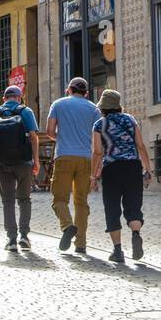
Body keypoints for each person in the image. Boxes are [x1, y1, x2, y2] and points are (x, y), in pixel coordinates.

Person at [91, 88, 152, 264]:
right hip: (133, 167)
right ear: (118, 106)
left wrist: (93, 176)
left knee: (112, 208)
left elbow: (97, 152)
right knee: (133, 206)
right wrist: (147, 168)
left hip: (111, 169)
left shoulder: (99, 125)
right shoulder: (130, 120)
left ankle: (117, 251)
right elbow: (140, 145)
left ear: (103, 108)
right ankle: (135, 234)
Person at [46, 78, 101, 254]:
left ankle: (67, 225)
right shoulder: (94, 108)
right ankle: (81, 244)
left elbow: (49, 131)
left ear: (68, 89)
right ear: (86, 92)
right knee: (81, 202)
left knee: (59, 199)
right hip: (85, 158)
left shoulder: (58, 104)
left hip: (64, 157)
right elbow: (97, 136)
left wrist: (61, 138)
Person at [0, 84, 40, 252]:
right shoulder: (26, 111)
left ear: (4, 99)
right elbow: (33, 137)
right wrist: (36, 161)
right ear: (19, 97)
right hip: (24, 162)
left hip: (3, 164)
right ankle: (24, 236)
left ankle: (11, 240)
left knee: (7, 201)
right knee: (24, 199)